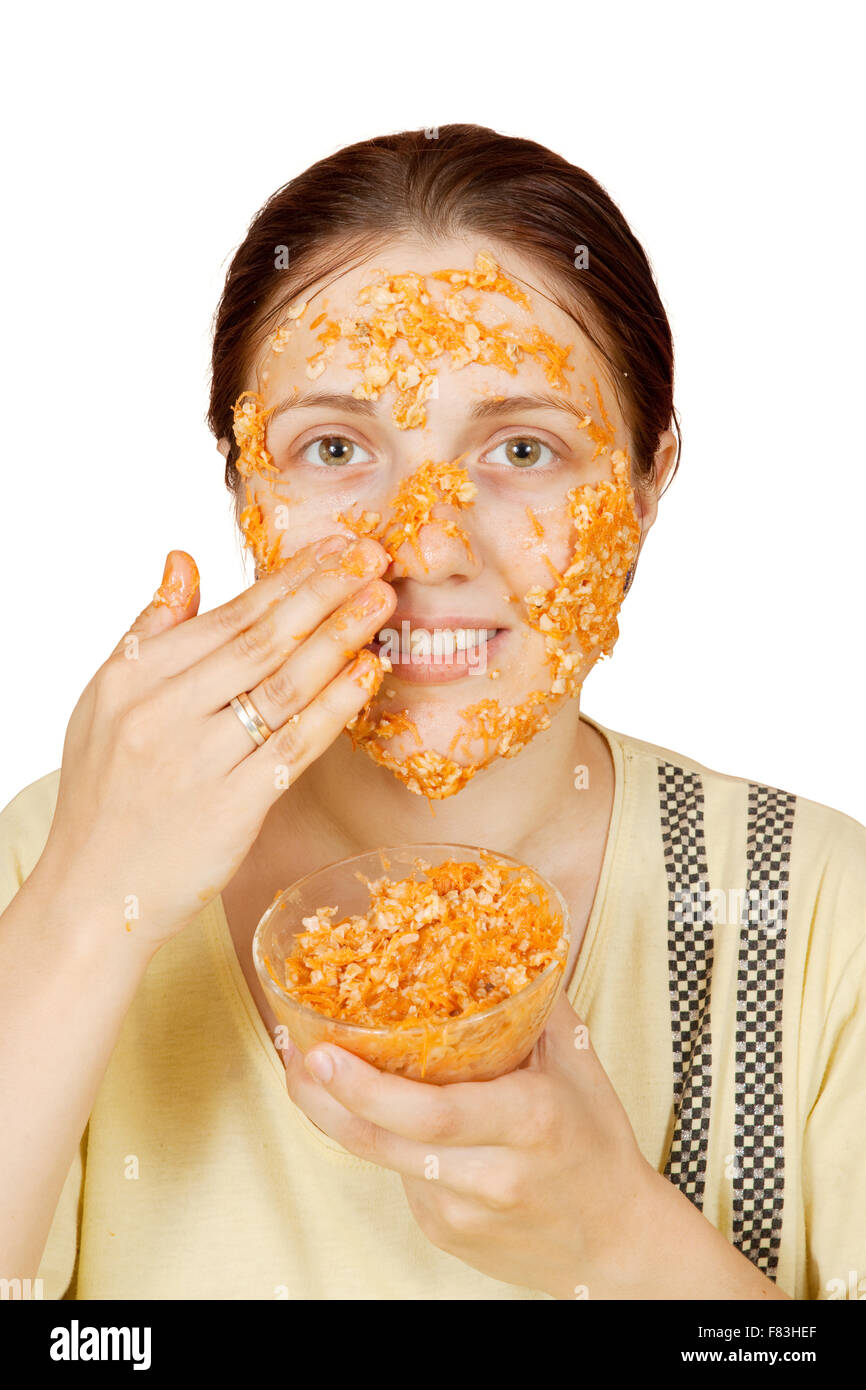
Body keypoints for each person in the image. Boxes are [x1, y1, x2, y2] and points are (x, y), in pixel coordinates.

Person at [1, 125, 863, 1302]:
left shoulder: (812, 911)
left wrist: (618, 1246)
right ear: (242, 484)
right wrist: (88, 904)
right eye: (335, 446)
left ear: (650, 479)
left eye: (521, 446)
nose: (431, 545)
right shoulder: (46, 861)